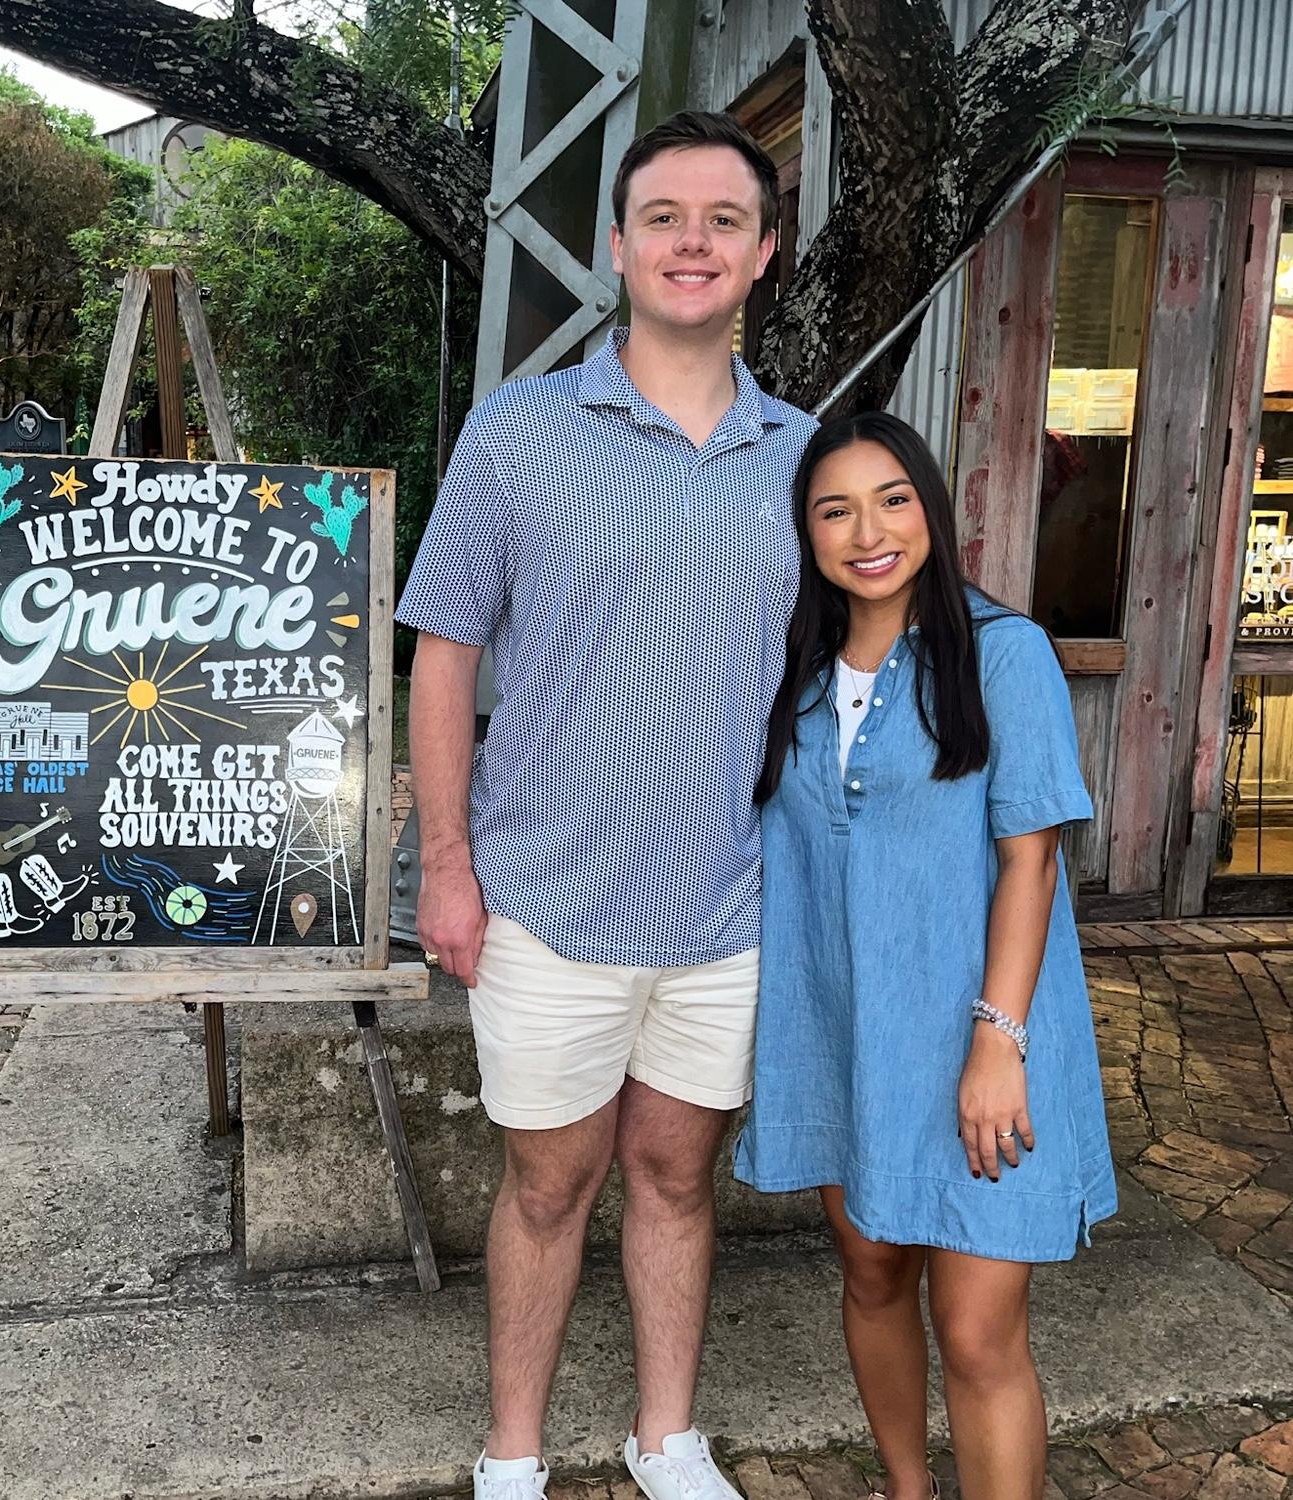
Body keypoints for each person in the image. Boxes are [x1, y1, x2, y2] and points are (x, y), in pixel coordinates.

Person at [396, 111, 816, 1500]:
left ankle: (666, 1438)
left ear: (764, 252)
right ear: (615, 244)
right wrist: (445, 864)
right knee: (545, 1187)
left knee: (678, 1181)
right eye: (663, 217)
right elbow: (443, 651)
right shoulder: (518, 435)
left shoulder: (808, 461)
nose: (691, 242)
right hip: (549, 902)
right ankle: (510, 1452)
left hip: (725, 906)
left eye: (722, 220)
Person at [735, 412, 1116, 1500]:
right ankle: (908, 1489)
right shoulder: (797, 672)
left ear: (933, 509)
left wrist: (998, 1042)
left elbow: (1030, 863)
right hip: (847, 1032)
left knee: (979, 1326)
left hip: (981, 1033)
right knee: (870, 1273)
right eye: (835, 509)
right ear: (805, 532)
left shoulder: (1003, 654)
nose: (868, 531)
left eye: (893, 498)